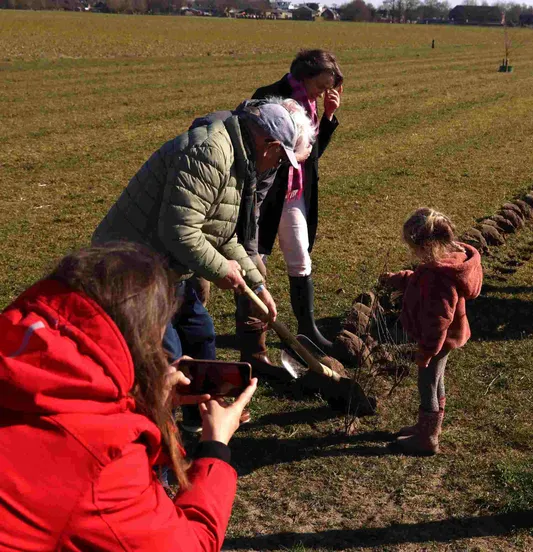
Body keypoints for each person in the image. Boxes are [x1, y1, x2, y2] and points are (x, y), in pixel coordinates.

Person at [0, 243, 257, 551]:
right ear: (143, 340)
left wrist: (141, 399)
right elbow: (190, 546)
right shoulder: (105, 461)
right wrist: (215, 448)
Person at [92, 100, 304, 430]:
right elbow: (179, 230)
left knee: (201, 334)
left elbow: (220, 232)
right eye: (279, 155)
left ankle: (199, 417)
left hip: (167, 268)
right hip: (132, 268)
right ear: (269, 144)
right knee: (169, 355)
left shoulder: (239, 158)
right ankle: (159, 437)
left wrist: (256, 286)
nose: (277, 163)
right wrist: (222, 270)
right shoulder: (210, 152)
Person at [187, 98, 315, 379]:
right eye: (285, 159)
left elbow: (250, 209)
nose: (285, 167)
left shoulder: (269, 159)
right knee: (196, 289)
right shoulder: (216, 143)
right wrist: (219, 263)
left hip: (223, 223)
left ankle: (255, 356)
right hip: (192, 223)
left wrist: (253, 271)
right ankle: (189, 356)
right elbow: (189, 222)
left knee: (255, 268)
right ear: (275, 142)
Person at [248, 49, 344, 357]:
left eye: (329, 87)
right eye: (321, 85)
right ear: (304, 77)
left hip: (295, 195)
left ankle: (307, 331)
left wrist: (327, 117)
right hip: (264, 196)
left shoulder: (313, 104)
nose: (323, 93)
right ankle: (253, 344)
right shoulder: (268, 96)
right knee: (255, 262)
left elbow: (310, 156)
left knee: (301, 259)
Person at [381, 208, 483, 455]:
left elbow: (439, 320)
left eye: (413, 247)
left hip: (438, 340)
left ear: (427, 245)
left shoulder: (439, 277)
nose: (413, 253)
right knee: (437, 379)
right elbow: (418, 280)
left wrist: (426, 352)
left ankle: (427, 438)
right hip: (446, 338)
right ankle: (427, 427)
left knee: (427, 381)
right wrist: (398, 278)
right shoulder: (447, 262)